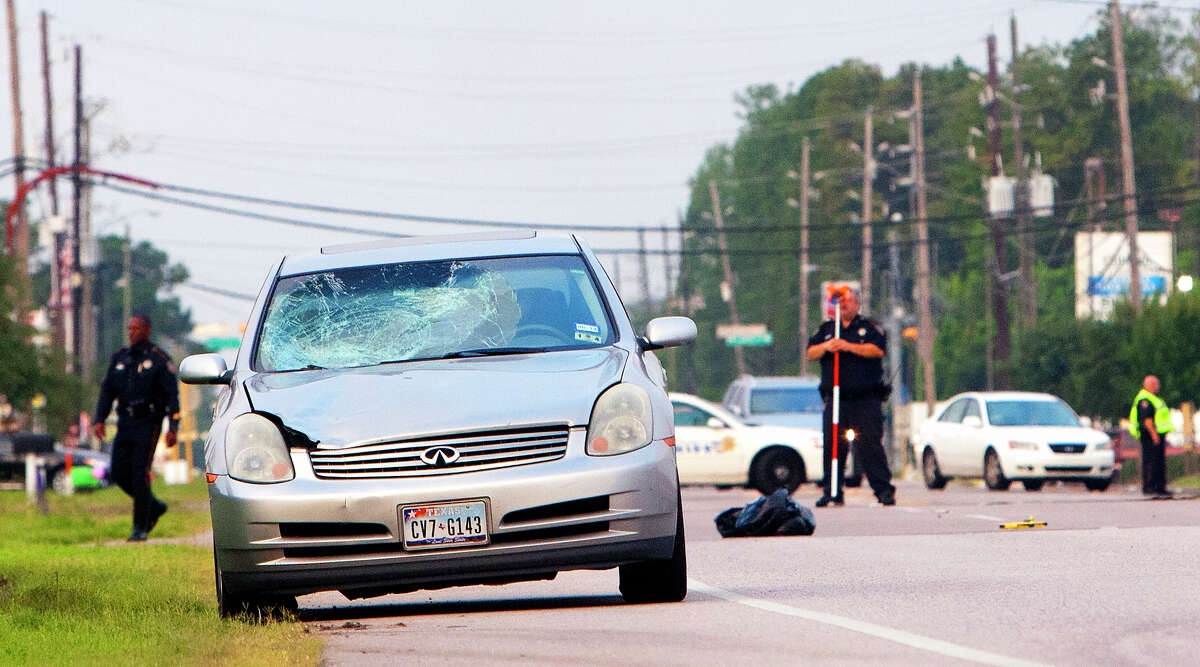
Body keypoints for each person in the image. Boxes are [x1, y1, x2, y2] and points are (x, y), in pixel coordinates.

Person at [93, 314, 180, 541]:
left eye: (137, 329)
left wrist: (173, 427)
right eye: (129, 328)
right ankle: (154, 506)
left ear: (147, 330)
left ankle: (139, 527)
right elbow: (107, 391)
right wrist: (99, 419)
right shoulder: (121, 358)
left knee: (140, 474)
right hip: (125, 422)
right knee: (118, 472)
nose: (132, 332)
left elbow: (172, 396)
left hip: (148, 422)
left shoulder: (159, 359)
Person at [806, 288, 895, 507]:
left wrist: (847, 346)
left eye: (848, 303)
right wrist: (828, 346)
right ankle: (832, 491)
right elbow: (811, 352)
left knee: (870, 445)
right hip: (837, 399)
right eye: (840, 303)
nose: (843, 306)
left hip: (865, 399)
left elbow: (877, 350)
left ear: (857, 305)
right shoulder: (827, 329)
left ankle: (883, 490)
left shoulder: (868, 328)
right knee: (833, 446)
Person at [1129, 375, 1172, 499]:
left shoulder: (1153, 398)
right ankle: (1150, 487)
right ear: (1150, 385)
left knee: (1158, 462)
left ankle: (1160, 487)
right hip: (1150, 435)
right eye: (1156, 384)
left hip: (1156, 434)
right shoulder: (1145, 399)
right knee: (1151, 462)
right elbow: (1147, 421)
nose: (1158, 387)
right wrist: (1154, 435)